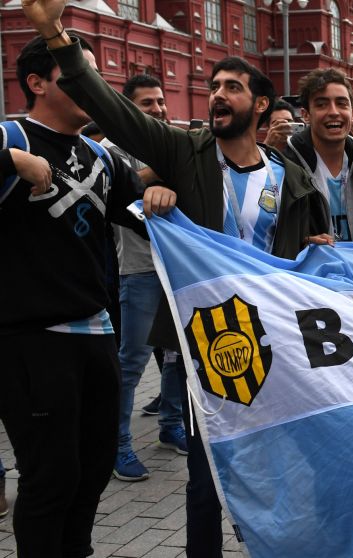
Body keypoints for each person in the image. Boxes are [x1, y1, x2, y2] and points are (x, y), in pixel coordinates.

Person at [18, 4, 331, 555]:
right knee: (207, 476)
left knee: (286, 459)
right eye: (213, 85)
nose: (216, 94)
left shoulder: (290, 174)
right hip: (206, 338)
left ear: (260, 104)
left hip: (279, 335)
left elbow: (311, 245)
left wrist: (322, 249)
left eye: (232, 87)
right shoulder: (184, 151)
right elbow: (111, 111)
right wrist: (54, 35)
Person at [0, 33, 175, 557]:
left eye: (94, 74)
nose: (91, 84)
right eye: (75, 74)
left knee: (93, 470)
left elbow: (143, 216)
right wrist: (12, 161)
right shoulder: (14, 134)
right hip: (31, 340)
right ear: (36, 83)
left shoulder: (100, 155)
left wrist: (163, 192)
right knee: (50, 477)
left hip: (97, 332)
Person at [103, 74, 188, 483]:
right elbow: (119, 197)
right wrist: (156, 173)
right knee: (132, 361)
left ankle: (171, 426)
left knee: (176, 356)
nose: (158, 109)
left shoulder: (172, 140)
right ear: (127, 109)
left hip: (176, 267)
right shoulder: (109, 150)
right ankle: (117, 444)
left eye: (160, 102)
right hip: (138, 269)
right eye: (147, 103)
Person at [283, 68, 353, 243]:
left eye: (342, 103)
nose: (334, 112)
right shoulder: (285, 167)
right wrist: (302, 243)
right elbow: (273, 232)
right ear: (306, 115)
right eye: (321, 104)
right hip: (308, 269)